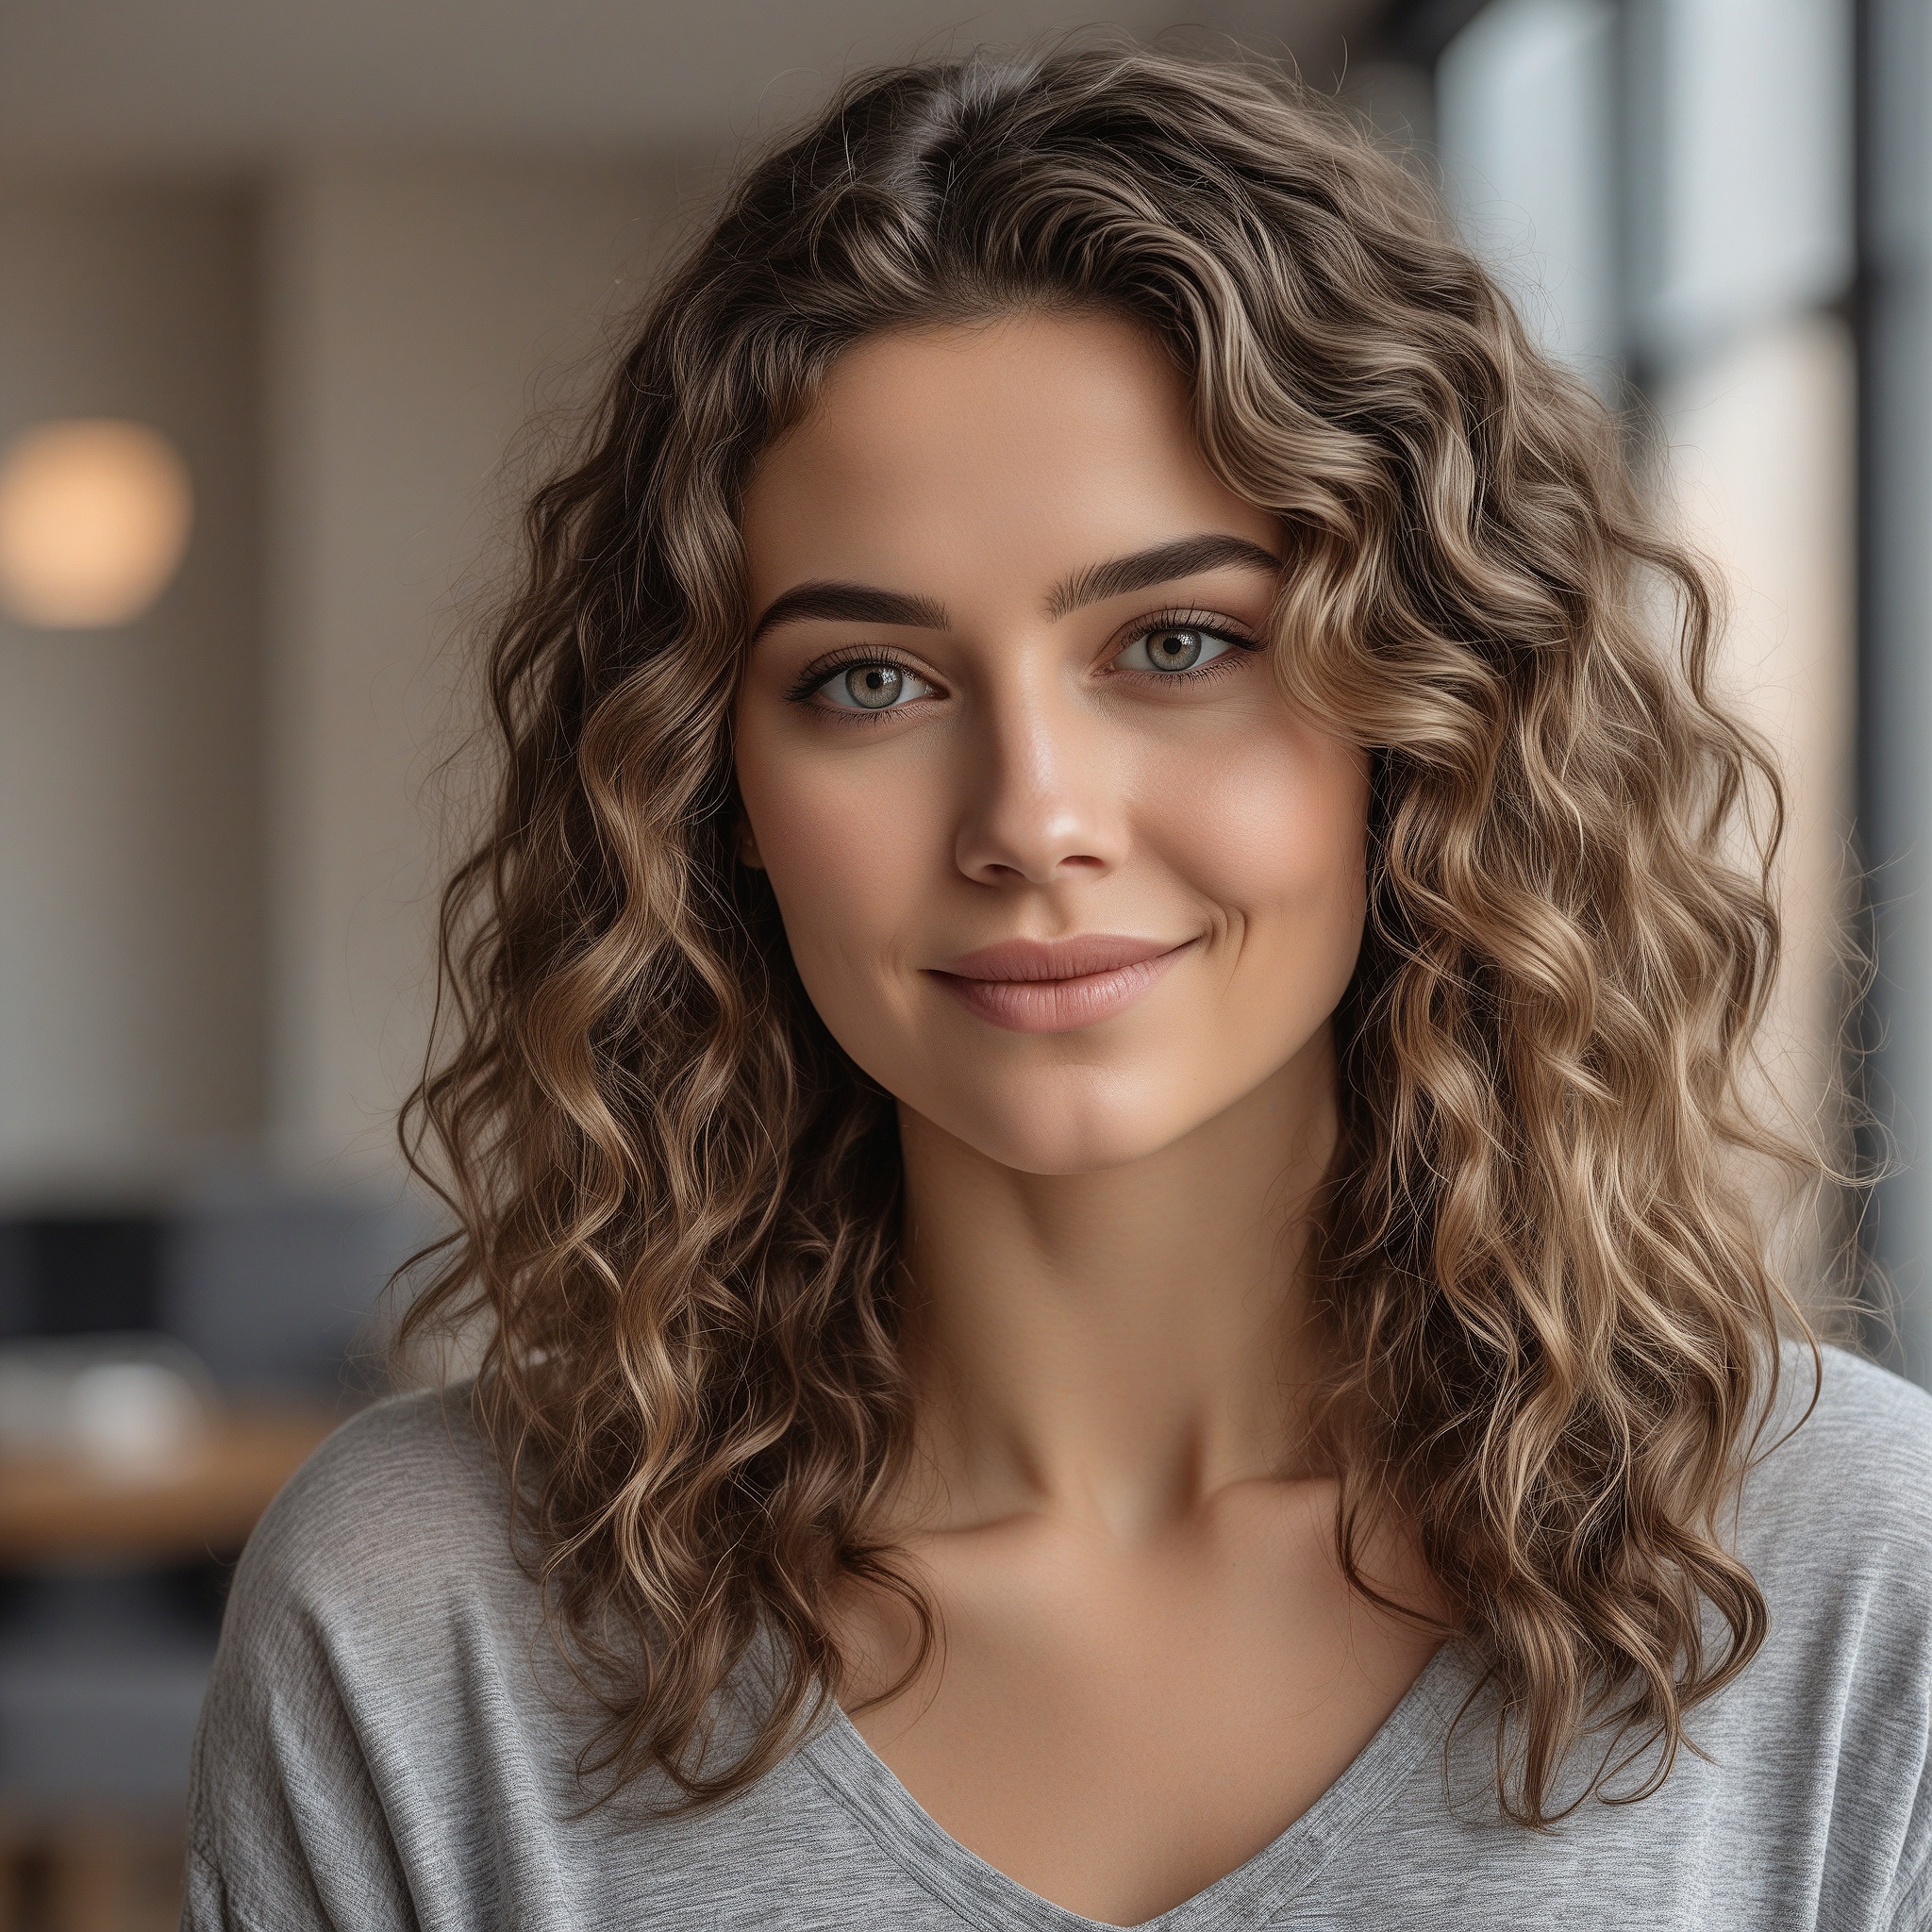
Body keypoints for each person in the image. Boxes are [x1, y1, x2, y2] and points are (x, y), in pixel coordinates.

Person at [182, 46, 1932, 1931]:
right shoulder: (425, 1609)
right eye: (868, 680)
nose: (1029, 817)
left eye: (1175, 643)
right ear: (716, 794)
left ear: (1421, 720)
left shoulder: (1851, 1575)